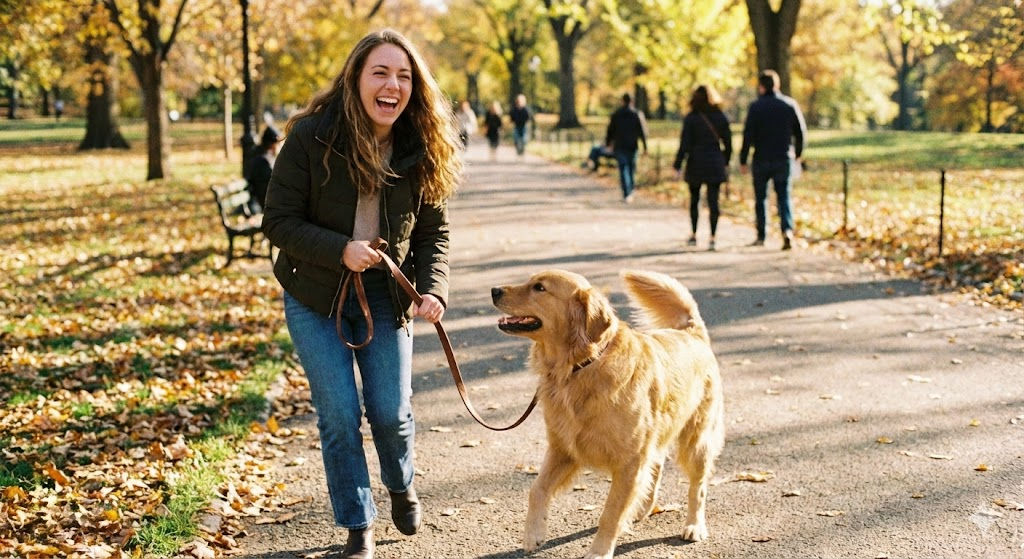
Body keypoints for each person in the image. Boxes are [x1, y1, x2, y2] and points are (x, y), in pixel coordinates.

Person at [261, 28, 463, 559]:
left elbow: (433, 233)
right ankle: (358, 524)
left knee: (392, 413)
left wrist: (432, 289)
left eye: (404, 76)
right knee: (338, 415)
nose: (393, 85)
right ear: (355, 79)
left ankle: (401, 483)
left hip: (385, 298)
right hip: (315, 295)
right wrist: (340, 250)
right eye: (381, 72)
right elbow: (277, 220)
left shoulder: (420, 145)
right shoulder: (312, 136)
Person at [739, 69, 807, 250]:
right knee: (784, 196)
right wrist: (798, 153)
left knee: (761, 197)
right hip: (783, 157)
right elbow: (800, 132)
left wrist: (743, 159)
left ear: (761, 87)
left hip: (761, 158)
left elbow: (748, 135)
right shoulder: (789, 105)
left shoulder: (756, 107)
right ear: (777, 85)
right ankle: (787, 230)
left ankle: (762, 235)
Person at [672, 85, 732, 251]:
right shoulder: (720, 116)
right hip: (714, 162)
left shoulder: (691, 118)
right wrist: (725, 160)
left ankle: (694, 234)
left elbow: (684, 144)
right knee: (714, 201)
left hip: (696, 162)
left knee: (695, 200)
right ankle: (713, 237)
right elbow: (728, 143)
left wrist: (677, 164)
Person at [605, 93, 648, 203]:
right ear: (632, 101)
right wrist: (645, 146)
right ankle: (631, 189)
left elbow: (610, 130)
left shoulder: (616, 114)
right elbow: (642, 132)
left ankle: (626, 192)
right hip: (632, 146)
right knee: (631, 168)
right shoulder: (637, 114)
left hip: (620, 145)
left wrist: (608, 143)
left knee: (623, 168)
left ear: (623, 101)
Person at [245, 125, 283, 211]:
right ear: (273, 144)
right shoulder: (263, 161)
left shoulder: (263, 156)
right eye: (279, 143)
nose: (281, 146)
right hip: (262, 204)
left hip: (265, 201)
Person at [509, 93, 531, 157]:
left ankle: (522, 150)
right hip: (517, 126)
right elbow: (512, 117)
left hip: (523, 126)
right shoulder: (514, 109)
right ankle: (518, 150)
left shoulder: (526, 109)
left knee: (524, 139)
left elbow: (528, 117)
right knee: (516, 138)